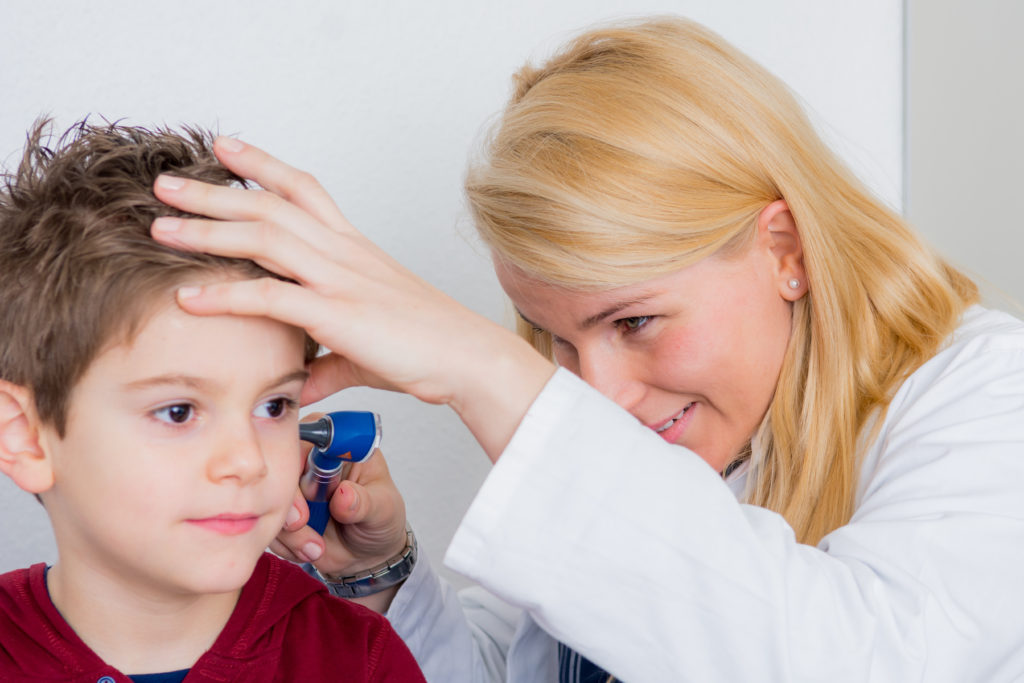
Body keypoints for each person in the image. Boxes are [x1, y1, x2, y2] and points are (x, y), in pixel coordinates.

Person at [149, 16, 1024, 683]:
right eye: (553, 339)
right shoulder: (668, 442)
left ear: (784, 251)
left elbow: (858, 660)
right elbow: (526, 663)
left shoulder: (989, 396)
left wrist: (488, 369)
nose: (598, 391)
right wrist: (383, 573)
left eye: (634, 322)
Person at [0, 120, 426, 682]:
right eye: (178, 411)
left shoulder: (360, 660)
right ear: (26, 436)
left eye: (274, 406)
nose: (248, 460)